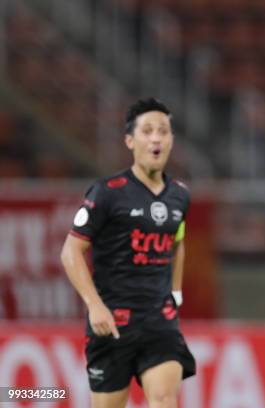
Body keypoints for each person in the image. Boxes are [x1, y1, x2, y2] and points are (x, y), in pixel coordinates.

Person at [61, 98, 196, 408]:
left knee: (164, 399)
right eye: (147, 131)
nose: (156, 138)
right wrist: (94, 306)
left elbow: (178, 241)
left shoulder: (180, 195)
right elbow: (70, 252)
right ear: (130, 141)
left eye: (163, 131)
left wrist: (175, 292)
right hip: (112, 323)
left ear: (172, 140)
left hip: (159, 321)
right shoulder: (107, 192)